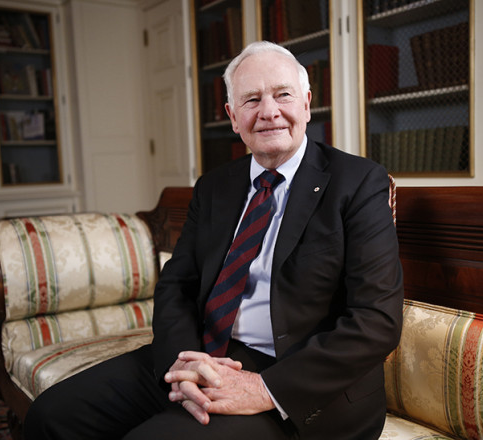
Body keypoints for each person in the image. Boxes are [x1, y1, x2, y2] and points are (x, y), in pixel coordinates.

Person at [24, 40, 404, 440]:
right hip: (204, 354)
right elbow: (178, 285)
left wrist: (264, 388)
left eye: (283, 95)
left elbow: (376, 320)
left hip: (295, 382)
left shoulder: (358, 182)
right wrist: (185, 363)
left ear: (306, 104)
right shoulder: (214, 187)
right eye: (251, 100)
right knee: (51, 416)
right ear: (233, 117)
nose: (269, 112)